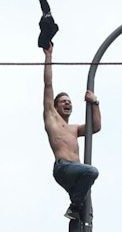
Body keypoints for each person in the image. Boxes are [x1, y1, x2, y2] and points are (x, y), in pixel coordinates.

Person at [43, 42, 101, 219]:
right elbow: (48, 84)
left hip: (76, 172)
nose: (67, 103)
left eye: (69, 101)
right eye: (63, 101)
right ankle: (74, 207)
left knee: (86, 211)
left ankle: (77, 216)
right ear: (55, 106)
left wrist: (95, 103)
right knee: (92, 171)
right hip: (64, 167)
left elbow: (96, 127)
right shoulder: (52, 117)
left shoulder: (74, 128)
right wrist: (48, 57)